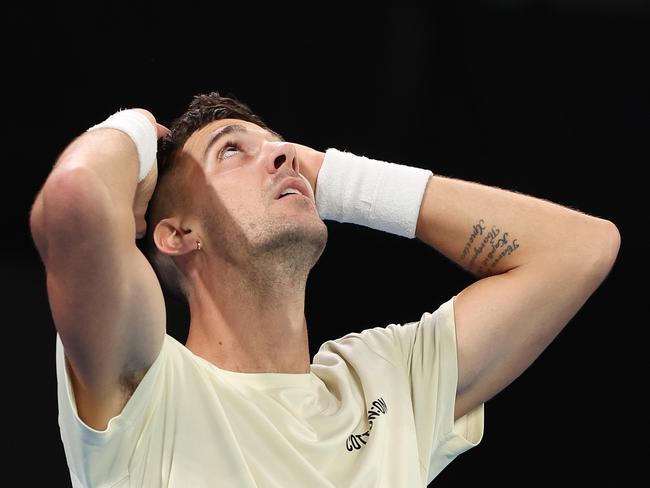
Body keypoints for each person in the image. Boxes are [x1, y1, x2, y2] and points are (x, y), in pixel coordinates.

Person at [29, 92, 620, 487]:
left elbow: (579, 248)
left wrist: (340, 180)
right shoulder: (146, 389)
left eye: (283, 147)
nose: (284, 156)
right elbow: (74, 199)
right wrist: (130, 129)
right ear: (179, 234)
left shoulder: (384, 383)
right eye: (232, 149)